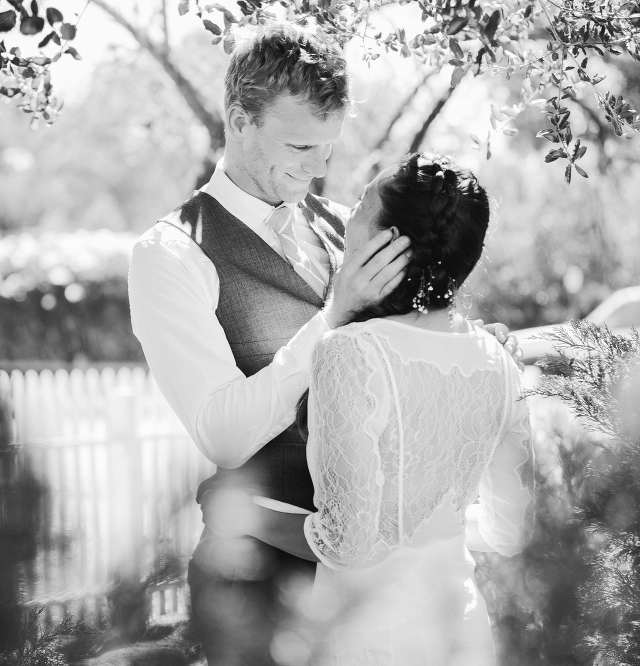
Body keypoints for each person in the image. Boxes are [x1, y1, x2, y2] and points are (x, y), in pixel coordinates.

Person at [129, 22, 521, 666]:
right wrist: (333, 315)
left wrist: (463, 350)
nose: (316, 170)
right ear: (239, 119)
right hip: (258, 578)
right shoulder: (172, 254)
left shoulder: (350, 226)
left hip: (385, 589)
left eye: (328, 149)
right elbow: (221, 434)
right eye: (300, 145)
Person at [204, 153, 534, 665]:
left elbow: (349, 544)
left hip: (367, 642)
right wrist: (426, 530)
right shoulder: (500, 362)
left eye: (361, 203)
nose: (348, 215)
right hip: (462, 637)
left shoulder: (352, 353)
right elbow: (510, 533)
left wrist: (245, 516)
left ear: (388, 243)